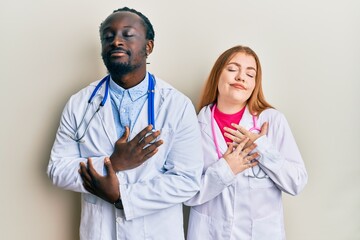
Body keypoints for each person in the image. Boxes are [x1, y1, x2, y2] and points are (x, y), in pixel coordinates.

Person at [47, 7, 203, 240]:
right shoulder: (80, 103)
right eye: (108, 37)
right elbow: (57, 169)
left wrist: (122, 196)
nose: (116, 41)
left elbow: (187, 180)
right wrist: (113, 163)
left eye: (127, 34)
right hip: (100, 232)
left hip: (156, 232)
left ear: (148, 46)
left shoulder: (176, 105)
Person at [185, 45, 308, 239]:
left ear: (255, 84)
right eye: (233, 69)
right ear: (217, 75)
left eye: (250, 74)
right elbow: (187, 193)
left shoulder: (272, 121)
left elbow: (296, 182)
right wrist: (225, 169)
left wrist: (263, 148)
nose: (241, 77)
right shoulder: (194, 126)